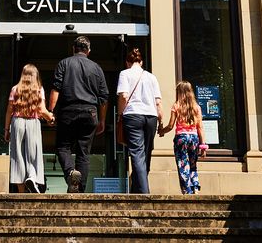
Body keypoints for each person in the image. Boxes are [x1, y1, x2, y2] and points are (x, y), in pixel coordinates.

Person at [49, 35, 109, 193]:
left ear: (73, 49)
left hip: (68, 110)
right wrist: (102, 120)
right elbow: (104, 98)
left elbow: (56, 89)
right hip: (90, 112)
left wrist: (51, 112)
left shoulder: (64, 63)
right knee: (84, 152)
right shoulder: (96, 68)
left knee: (63, 146)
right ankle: (79, 189)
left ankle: (70, 173)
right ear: (88, 51)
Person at [116, 47, 163, 194]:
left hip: (133, 115)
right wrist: (160, 121)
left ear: (127, 62)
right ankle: (137, 189)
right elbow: (158, 102)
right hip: (151, 116)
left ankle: (143, 192)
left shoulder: (124, 74)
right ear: (141, 62)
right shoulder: (151, 77)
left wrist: (120, 113)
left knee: (137, 153)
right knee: (146, 153)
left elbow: (124, 96)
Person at [4, 64, 54, 193]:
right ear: (35, 76)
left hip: (17, 122)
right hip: (33, 122)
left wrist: (6, 129)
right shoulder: (38, 90)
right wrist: (51, 118)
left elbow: (9, 110)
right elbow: (42, 110)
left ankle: (21, 193)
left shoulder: (15, 89)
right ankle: (31, 177)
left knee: (18, 156)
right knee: (33, 154)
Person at [158, 80, 206, 194]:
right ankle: (195, 186)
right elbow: (200, 127)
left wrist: (161, 131)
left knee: (183, 164)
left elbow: (170, 125)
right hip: (194, 138)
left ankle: (187, 190)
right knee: (193, 164)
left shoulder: (176, 106)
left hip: (181, 138)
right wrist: (203, 146)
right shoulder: (197, 108)